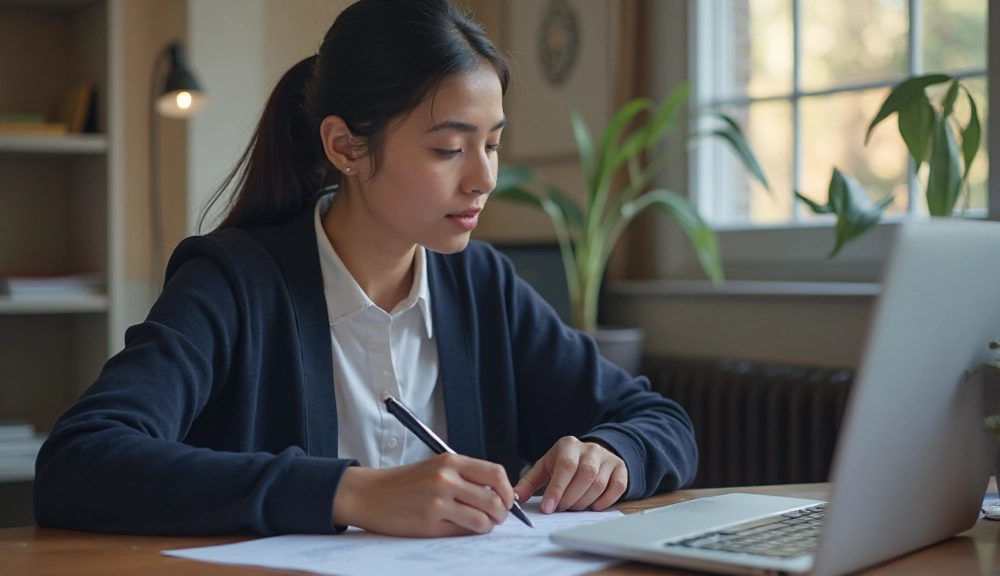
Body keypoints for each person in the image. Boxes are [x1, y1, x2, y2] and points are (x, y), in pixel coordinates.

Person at [33, 0, 697, 538]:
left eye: (492, 144)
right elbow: (80, 462)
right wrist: (349, 491)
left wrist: (614, 453)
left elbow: (660, 419)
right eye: (448, 149)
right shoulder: (231, 283)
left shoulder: (481, 285)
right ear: (346, 146)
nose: (483, 179)